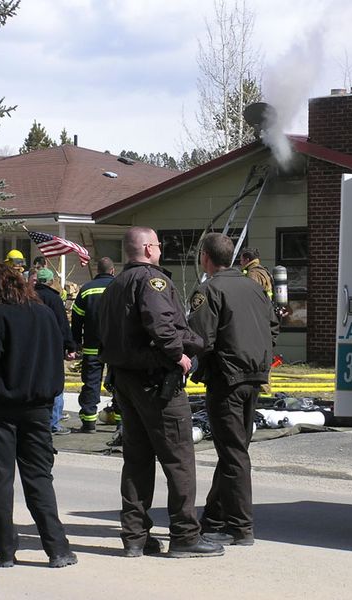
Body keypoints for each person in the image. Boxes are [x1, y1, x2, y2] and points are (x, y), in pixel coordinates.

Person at [99, 226, 224, 559]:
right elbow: (161, 323)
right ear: (148, 248)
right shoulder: (152, 281)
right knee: (179, 458)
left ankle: (135, 536)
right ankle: (184, 535)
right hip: (156, 382)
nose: (161, 249)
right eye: (158, 244)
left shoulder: (115, 285)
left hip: (126, 380)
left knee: (137, 460)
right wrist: (179, 355)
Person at [0, 263, 77, 569]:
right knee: (39, 478)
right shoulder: (46, 315)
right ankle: (58, 548)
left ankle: (5, 550)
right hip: (39, 409)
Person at [188, 233, 279, 547]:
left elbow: (199, 338)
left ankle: (240, 528)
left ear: (206, 258)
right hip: (254, 377)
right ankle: (213, 520)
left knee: (233, 453)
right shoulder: (255, 286)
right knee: (233, 452)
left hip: (227, 380)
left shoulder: (209, 290)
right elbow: (273, 326)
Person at [71, 257, 116, 433]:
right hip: (116, 346)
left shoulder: (86, 290)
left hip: (92, 346)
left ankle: (89, 422)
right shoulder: (119, 287)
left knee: (91, 383)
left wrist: (75, 343)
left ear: (98, 270)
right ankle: (121, 421)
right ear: (112, 271)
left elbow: (76, 319)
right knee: (118, 382)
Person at [35, 268, 76, 435]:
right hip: (53, 347)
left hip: (33, 347)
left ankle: (38, 420)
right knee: (56, 384)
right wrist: (70, 346)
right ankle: (54, 422)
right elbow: (63, 325)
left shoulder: (28, 297)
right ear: (52, 282)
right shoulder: (54, 299)